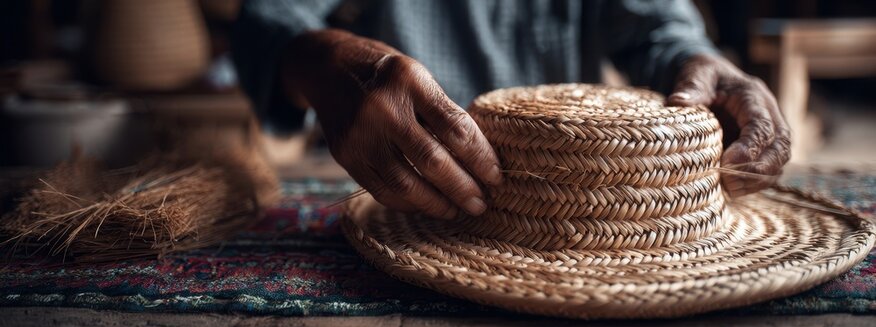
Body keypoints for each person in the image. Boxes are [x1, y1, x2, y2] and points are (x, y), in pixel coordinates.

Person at [232, 0, 790, 220]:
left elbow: (657, 30)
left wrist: (700, 61)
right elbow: (266, 20)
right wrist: (322, 58)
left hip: (590, 222)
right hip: (416, 208)